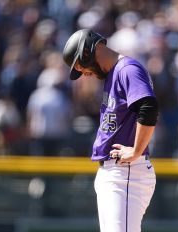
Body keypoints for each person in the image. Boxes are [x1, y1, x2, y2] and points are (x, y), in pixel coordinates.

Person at [62, 29, 158, 232]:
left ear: (89, 51)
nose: (84, 73)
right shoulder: (114, 73)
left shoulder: (127, 69)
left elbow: (148, 107)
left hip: (125, 172)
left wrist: (135, 151)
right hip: (115, 173)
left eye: (82, 66)